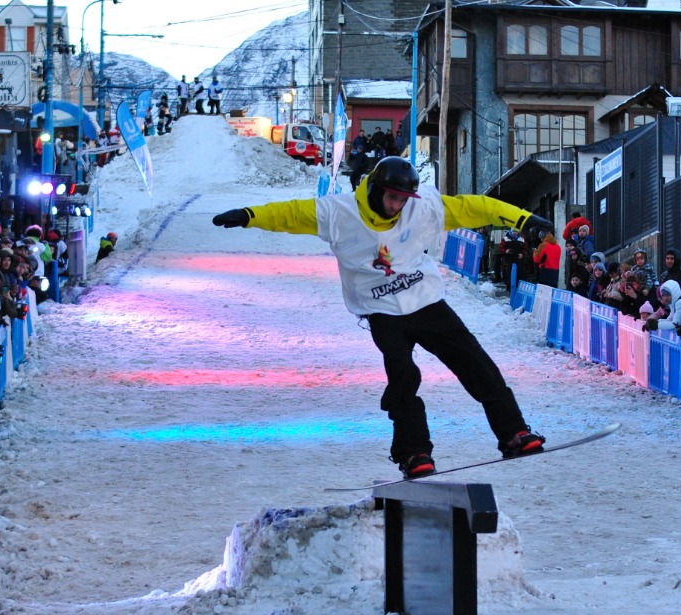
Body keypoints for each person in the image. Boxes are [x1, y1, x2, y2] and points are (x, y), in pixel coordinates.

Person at [211, 156, 550, 478]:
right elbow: (290, 214)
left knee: (475, 362)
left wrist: (523, 219)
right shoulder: (337, 213)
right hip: (382, 310)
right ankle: (414, 453)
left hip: (426, 300)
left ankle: (514, 432)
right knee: (403, 377)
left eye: (403, 200)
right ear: (375, 189)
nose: (397, 206)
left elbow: (475, 207)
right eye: (392, 198)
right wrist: (248, 214)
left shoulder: (423, 206)